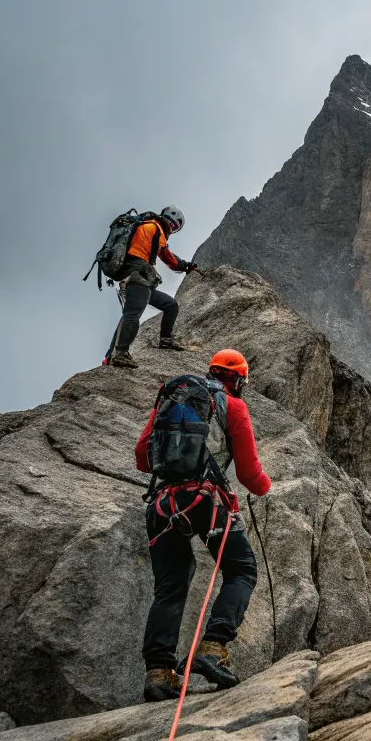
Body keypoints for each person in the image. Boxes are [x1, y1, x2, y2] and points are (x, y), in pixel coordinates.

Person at [134, 349, 272, 701]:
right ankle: (211, 648)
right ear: (239, 380)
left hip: (162, 505)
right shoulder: (233, 406)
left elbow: (142, 457)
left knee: (171, 586)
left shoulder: (173, 399)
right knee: (241, 569)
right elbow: (249, 474)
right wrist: (265, 486)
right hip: (205, 501)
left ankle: (159, 673)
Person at [105, 205, 198, 369]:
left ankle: (165, 340)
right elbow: (168, 257)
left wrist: (184, 265)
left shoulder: (147, 227)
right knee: (132, 315)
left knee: (170, 305)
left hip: (139, 279)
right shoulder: (155, 228)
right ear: (174, 225)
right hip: (137, 277)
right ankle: (120, 354)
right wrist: (185, 266)